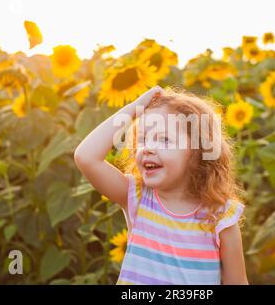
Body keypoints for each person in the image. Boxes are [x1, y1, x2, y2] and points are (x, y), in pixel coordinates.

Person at [74, 85, 248, 284]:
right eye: (142, 140)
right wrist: (135, 107)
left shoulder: (220, 216)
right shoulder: (137, 197)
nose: (147, 148)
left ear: (198, 151)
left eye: (164, 140)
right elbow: (85, 157)